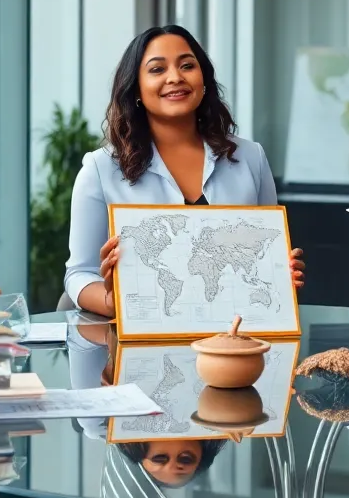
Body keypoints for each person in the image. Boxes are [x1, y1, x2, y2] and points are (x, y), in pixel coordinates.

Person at [64, 25, 304, 315]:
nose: (175, 77)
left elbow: (266, 258)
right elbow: (79, 274)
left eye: (187, 65)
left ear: (203, 79)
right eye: (157, 69)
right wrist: (115, 303)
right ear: (136, 88)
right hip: (143, 348)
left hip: (234, 342)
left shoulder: (251, 157)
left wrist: (280, 271)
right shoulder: (100, 168)